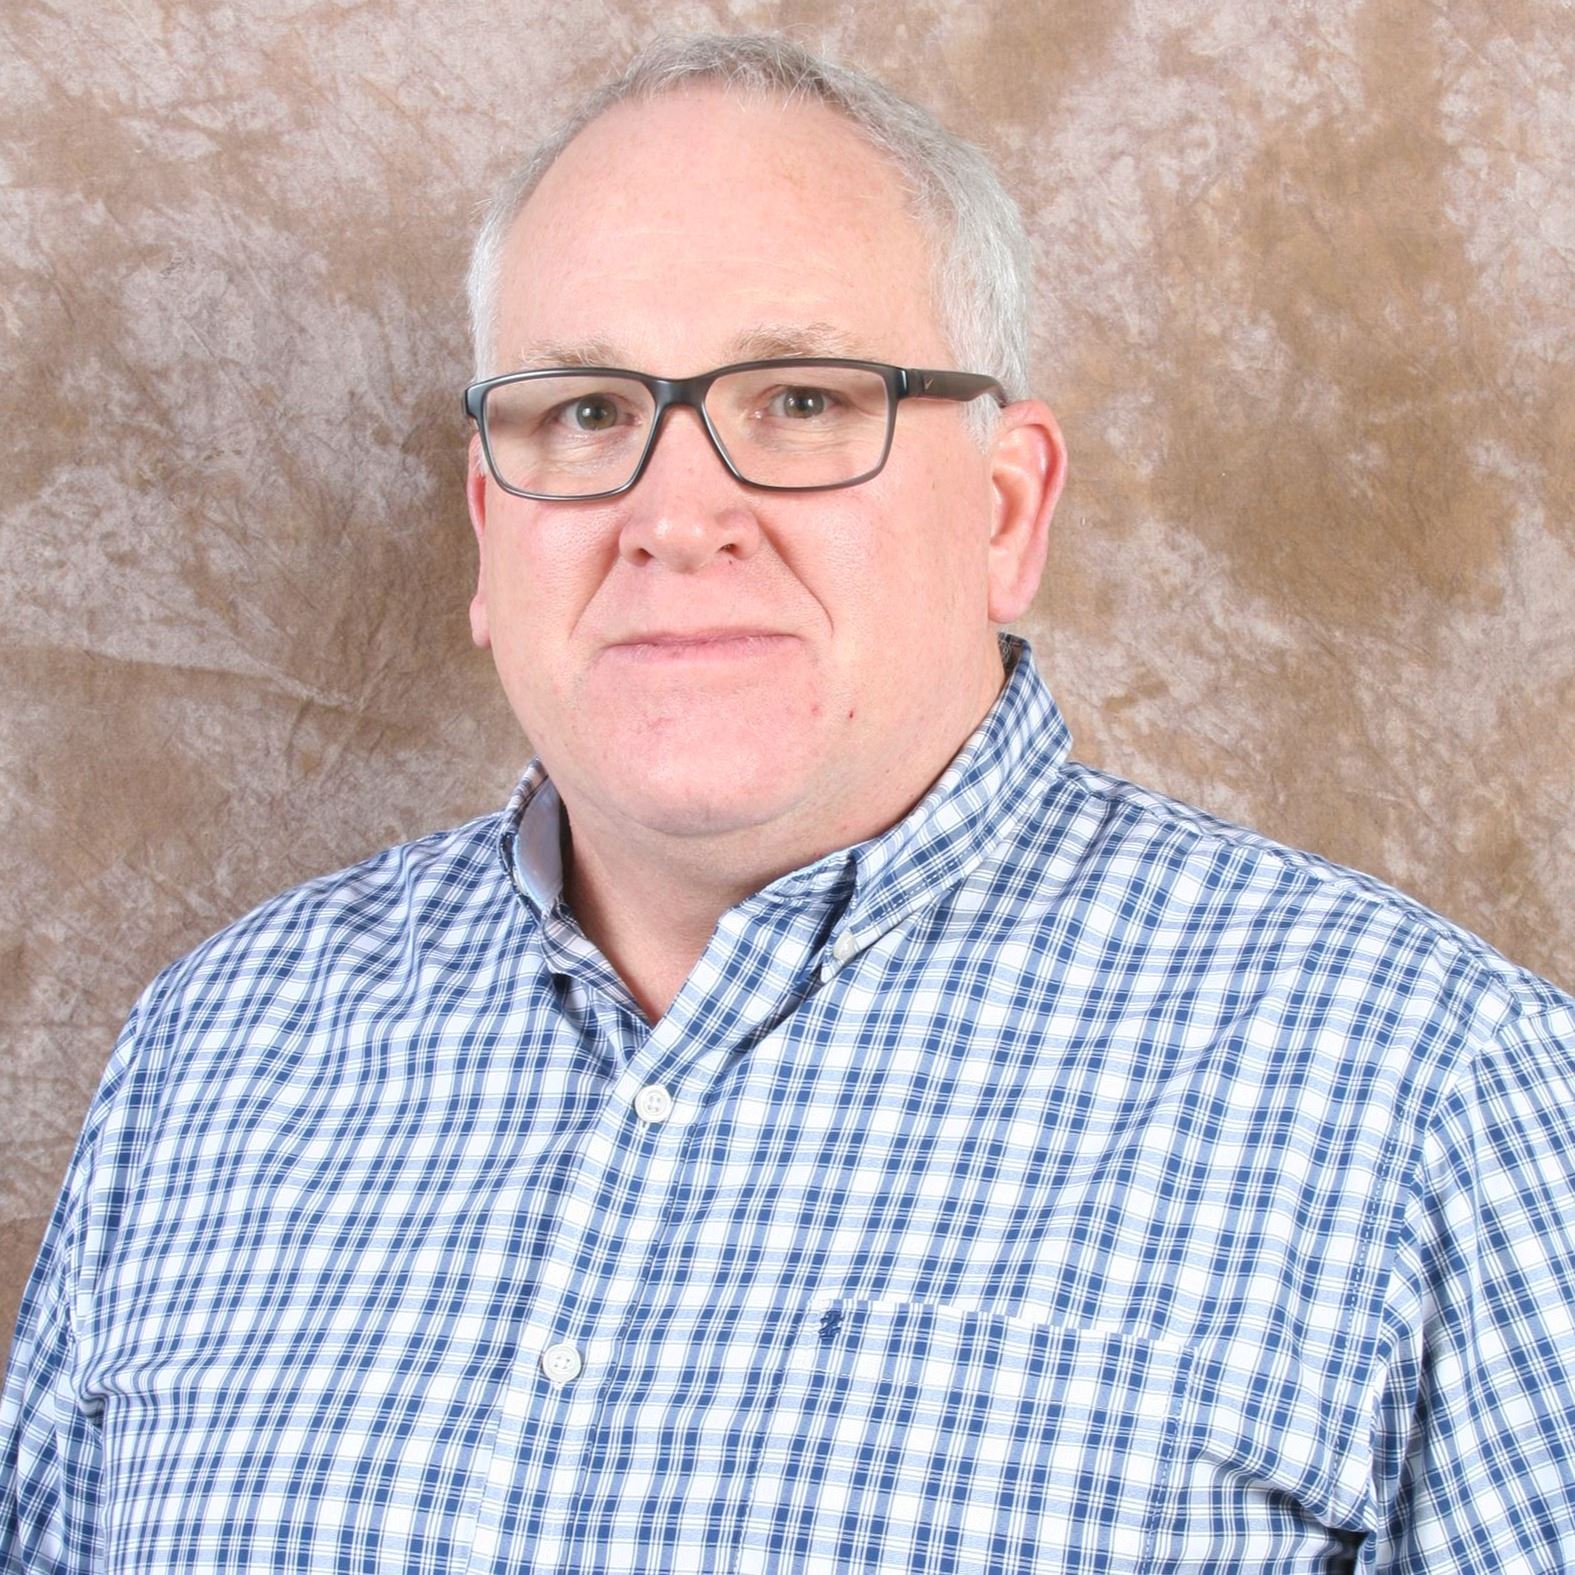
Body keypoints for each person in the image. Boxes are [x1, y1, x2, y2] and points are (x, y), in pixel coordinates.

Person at [4, 30, 1574, 1574]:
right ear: (491, 533)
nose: (675, 517)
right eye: (588, 414)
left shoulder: (1434, 1098)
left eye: (805, 403)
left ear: (1007, 507)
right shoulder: (215, 1056)